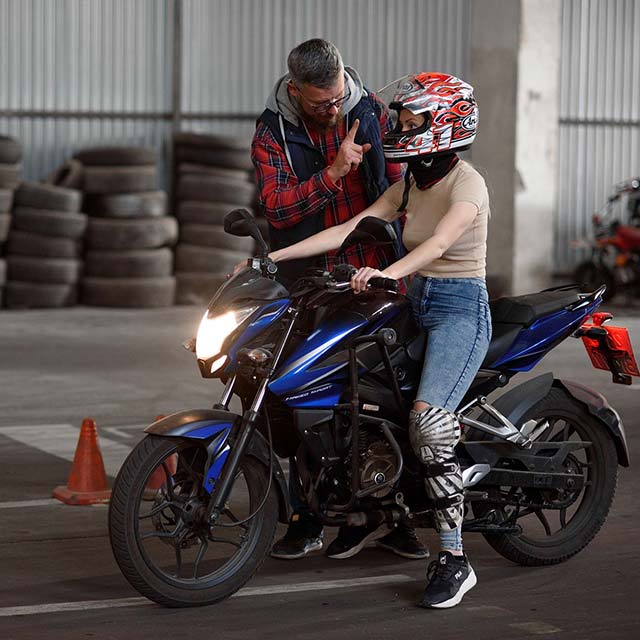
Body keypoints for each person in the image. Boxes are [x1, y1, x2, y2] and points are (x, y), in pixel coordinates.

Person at [267, 72, 491, 609]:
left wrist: (391, 272)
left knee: (428, 424)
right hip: (416, 303)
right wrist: (270, 259)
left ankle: (455, 559)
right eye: (402, 120)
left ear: (446, 124)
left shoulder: (468, 185)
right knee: (356, 396)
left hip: (461, 309)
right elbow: (352, 226)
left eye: (413, 121)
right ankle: (378, 513)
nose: (401, 128)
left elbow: (439, 243)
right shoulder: (412, 180)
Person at [251, 39, 426, 562]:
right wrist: (331, 175)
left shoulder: (370, 110)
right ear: (294, 89)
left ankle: (394, 514)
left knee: (379, 394)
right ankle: (306, 517)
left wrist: (402, 266)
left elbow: (401, 195)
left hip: (371, 272)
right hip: (308, 277)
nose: (332, 110)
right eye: (319, 104)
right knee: (291, 397)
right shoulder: (273, 130)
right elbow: (278, 211)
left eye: (336, 100)